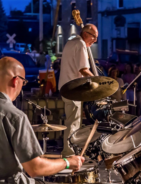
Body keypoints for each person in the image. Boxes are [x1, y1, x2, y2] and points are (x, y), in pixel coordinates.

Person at [0, 57, 85, 184]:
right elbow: (35, 168)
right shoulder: (15, 116)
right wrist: (69, 162)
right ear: (16, 81)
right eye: (23, 82)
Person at [59, 23, 98, 157]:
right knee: (73, 123)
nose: (95, 40)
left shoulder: (71, 42)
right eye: (94, 37)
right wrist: (98, 82)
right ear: (86, 34)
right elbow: (83, 69)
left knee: (71, 121)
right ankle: (69, 153)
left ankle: (70, 151)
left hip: (66, 87)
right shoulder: (80, 44)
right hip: (73, 89)